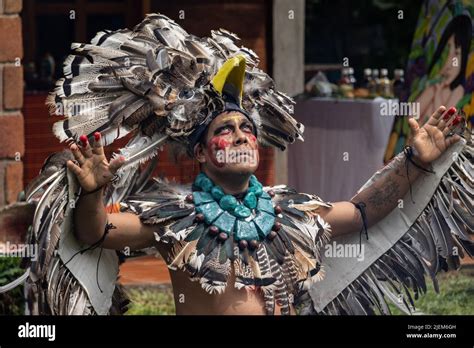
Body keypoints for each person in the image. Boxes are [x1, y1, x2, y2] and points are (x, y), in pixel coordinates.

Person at [1, 14, 471, 316]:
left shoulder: (290, 212)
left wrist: (413, 161)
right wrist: (91, 192)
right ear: (203, 153)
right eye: (225, 130)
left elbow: (363, 212)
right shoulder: (174, 217)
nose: (242, 135)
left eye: (247, 129)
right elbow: (94, 233)